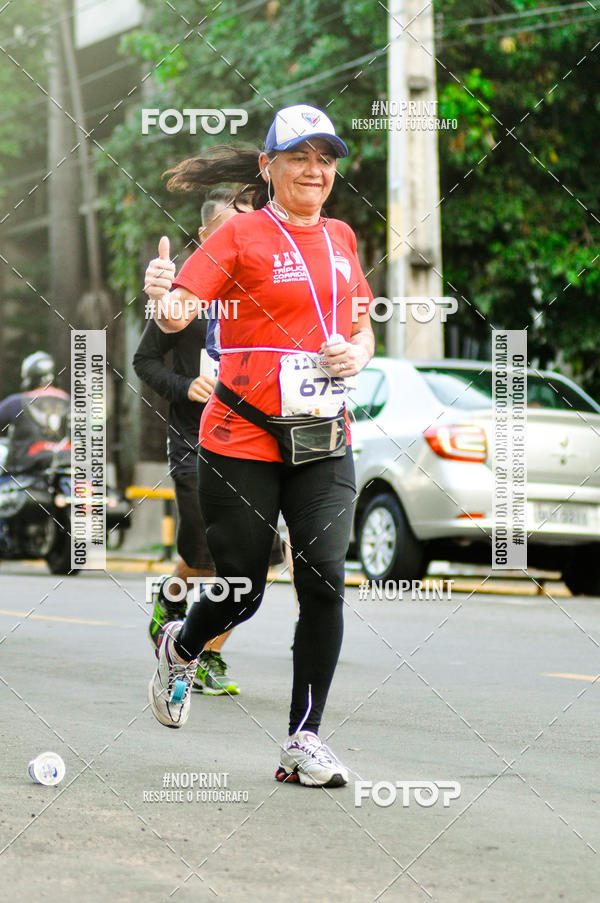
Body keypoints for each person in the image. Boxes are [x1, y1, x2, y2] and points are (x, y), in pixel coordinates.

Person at [145, 104, 374, 787]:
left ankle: (303, 738)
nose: (315, 170)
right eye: (300, 157)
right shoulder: (241, 234)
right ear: (269, 168)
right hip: (241, 434)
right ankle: (182, 644)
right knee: (243, 589)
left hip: (323, 435)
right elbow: (180, 311)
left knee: (325, 581)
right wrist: (162, 295)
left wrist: (354, 356)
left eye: (326, 158)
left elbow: (362, 329)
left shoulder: (341, 239)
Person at [134, 189, 252, 695]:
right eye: (226, 228)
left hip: (251, 440)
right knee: (204, 558)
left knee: (247, 566)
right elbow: (144, 362)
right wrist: (187, 387)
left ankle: (208, 655)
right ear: (204, 235)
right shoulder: (185, 292)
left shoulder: (259, 285)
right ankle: (172, 597)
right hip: (193, 439)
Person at [0, 352, 70, 475]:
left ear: (29, 378)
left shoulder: (17, 402)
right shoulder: (71, 403)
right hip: (66, 468)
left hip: (25, 472)